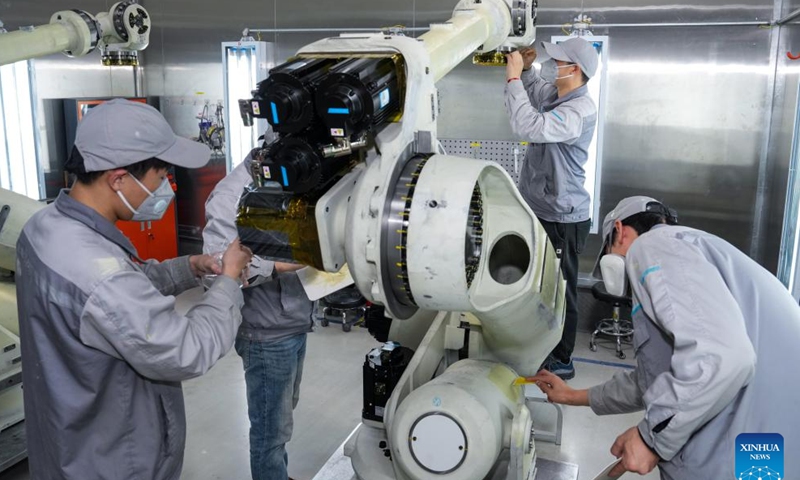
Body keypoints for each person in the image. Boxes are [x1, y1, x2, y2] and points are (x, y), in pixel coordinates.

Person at [15, 99, 253, 479]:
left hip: (67, 441)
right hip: (111, 461)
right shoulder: (99, 273)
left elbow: (112, 302)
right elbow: (186, 350)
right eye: (160, 177)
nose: (166, 188)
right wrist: (227, 281)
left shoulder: (44, 228)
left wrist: (186, 268)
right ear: (118, 179)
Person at [531, 196, 800, 479]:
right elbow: (654, 379)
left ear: (620, 231)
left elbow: (722, 356)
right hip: (768, 439)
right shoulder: (695, 252)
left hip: (742, 438)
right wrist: (573, 396)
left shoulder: (653, 247)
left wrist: (650, 439)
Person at [203, 155, 314, 480]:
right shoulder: (231, 196)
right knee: (270, 429)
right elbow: (218, 267)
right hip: (266, 333)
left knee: (281, 416)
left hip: (295, 319)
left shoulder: (293, 176)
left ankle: (276, 474)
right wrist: (284, 263)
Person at [504, 37, 600, 380]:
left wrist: (513, 78)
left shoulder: (579, 111)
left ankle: (562, 358)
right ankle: (538, 344)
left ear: (574, 69)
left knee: (562, 288)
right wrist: (527, 69)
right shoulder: (558, 93)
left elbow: (529, 125)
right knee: (539, 283)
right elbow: (535, 91)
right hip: (540, 207)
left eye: (557, 60)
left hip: (563, 216)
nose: (551, 63)